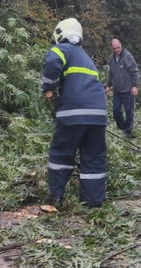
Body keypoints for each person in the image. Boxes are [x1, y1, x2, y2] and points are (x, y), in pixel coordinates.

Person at [41, 18, 107, 209]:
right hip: (97, 114)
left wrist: (49, 86)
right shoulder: (85, 57)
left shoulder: (60, 50)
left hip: (73, 113)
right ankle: (92, 202)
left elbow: (52, 63)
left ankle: (55, 198)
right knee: (93, 157)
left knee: (61, 153)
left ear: (60, 33)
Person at [105, 38, 140, 139]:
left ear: (121, 45)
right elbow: (111, 74)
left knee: (129, 113)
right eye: (114, 48)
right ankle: (122, 129)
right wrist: (108, 86)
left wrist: (135, 86)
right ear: (112, 48)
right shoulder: (111, 58)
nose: (116, 50)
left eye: (118, 47)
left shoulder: (127, 56)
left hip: (128, 90)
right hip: (117, 90)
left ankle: (128, 133)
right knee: (116, 111)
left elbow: (135, 71)